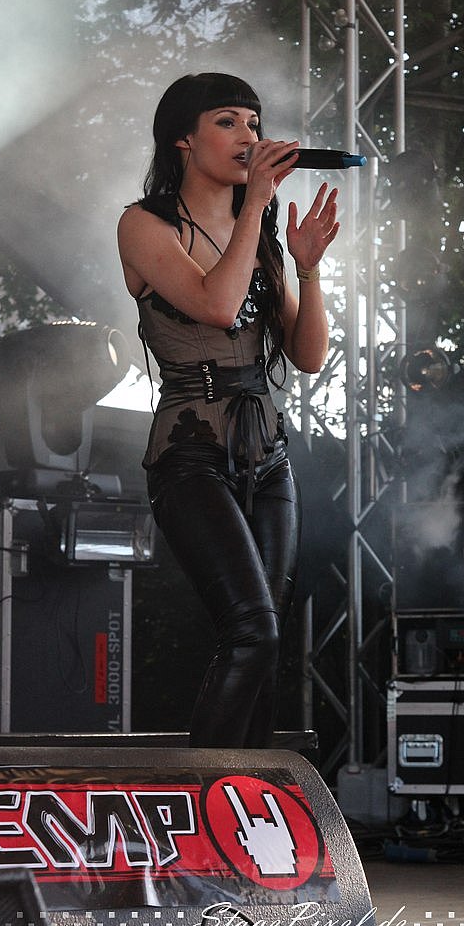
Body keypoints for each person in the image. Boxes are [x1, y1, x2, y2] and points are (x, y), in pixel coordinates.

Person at [117, 72, 339, 748]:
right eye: (228, 121)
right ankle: (204, 793)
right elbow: (216, 305)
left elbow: (308, 355)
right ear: (183, 139)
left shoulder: (259, 234)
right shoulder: (144, 225)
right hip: (191, 453)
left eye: (253, 121)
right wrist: (256, 206)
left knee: (267, 645)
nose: (249, 135)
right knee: (251, 631)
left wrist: (307, 267)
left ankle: (245, 793)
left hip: (268, 453)